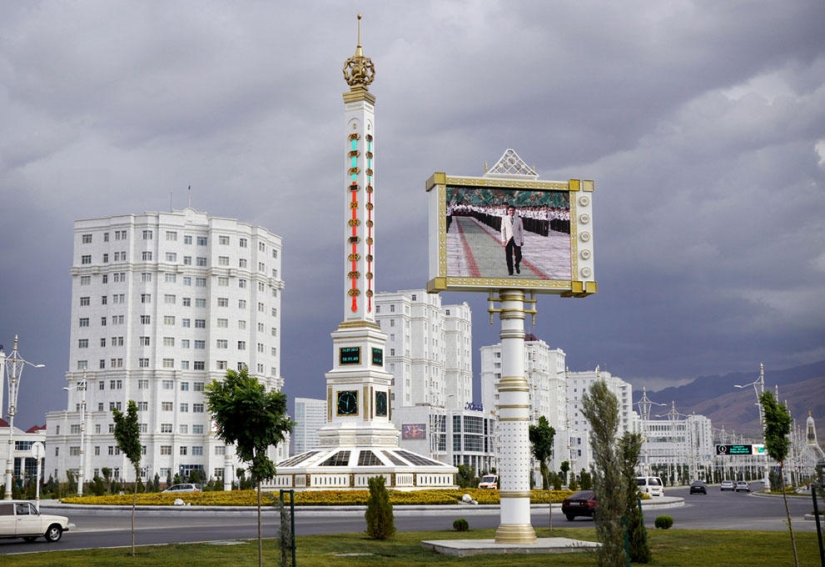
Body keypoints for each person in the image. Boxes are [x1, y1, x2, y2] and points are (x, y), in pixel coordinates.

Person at [500, 204, 524, 275]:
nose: (511, 212)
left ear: (515, 211)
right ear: (508, 211)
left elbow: (521, 231)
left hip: (516, 239)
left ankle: (517, 264)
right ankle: (510, 270)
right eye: (510, 210)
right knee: (508, 255)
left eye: (513, 210)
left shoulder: (519, 219)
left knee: (518, 255)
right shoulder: (505, 218)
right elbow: (503, 230)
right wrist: (503, 240)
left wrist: (522, 240)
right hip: (508, 239)